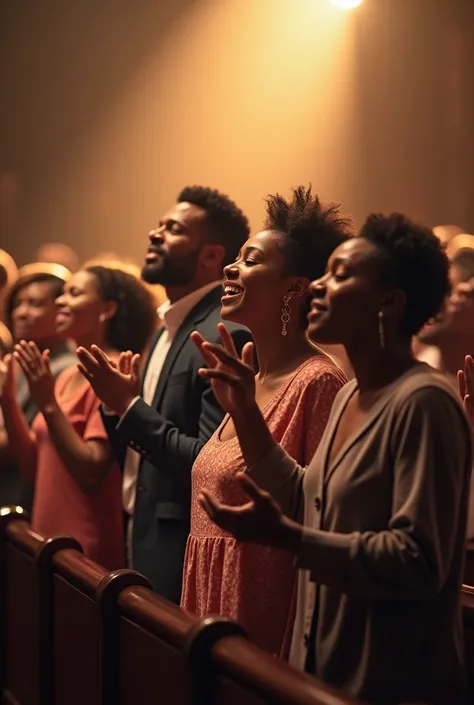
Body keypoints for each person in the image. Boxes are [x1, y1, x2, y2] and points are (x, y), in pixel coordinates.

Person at [192, 214, 472, 705]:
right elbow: (307, 498)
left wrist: (290, 538)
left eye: (341, 275)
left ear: (390, 302)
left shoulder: (423, 402)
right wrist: (246, 414)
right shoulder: (351, 397)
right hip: (324, 668)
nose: (318, 285)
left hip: (387, 679)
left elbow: (417, 560)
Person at [180, 186, 350, 658]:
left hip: (262, 613)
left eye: (251, 260)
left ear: (295, 288)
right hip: (209, 602)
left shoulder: (317, 383)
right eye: (235, 258)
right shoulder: (247, 380)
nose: (231, 268)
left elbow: (318, 520)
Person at [76, 186, 253, 602]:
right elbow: (139, 454)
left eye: (173, 229)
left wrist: (128, 407)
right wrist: (114, 406)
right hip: (142, 529)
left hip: (183, 543)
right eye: (159, 225)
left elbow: (207, 464)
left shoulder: (221, 333)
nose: (155, 234)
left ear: (211, 255)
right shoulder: (163, 331)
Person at [0, 265, 157, 569]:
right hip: (46, 535)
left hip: (83, 544)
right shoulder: (68, 374)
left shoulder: (112, 372)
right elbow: (33, 467)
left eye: (74, 293)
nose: (60, 301)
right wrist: (7, 397)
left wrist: (47, 403)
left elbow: (91, 471)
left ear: (106, 309)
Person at [0, 263, 76, 508]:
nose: (21, 312)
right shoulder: (17, 362)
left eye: (34, 304)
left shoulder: (65, 369)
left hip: (28, 502)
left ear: (61, 310)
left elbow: (26, 448)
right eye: (17, 304)